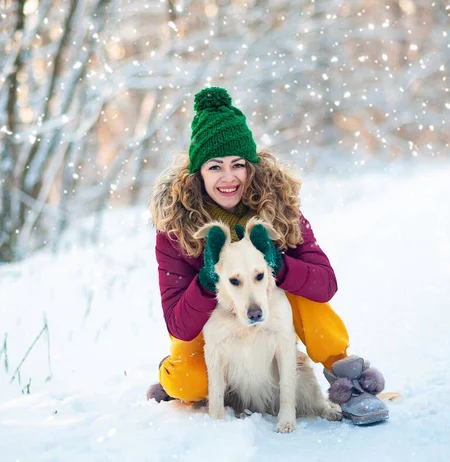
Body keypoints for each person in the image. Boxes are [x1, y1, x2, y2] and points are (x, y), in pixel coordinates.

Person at [145, 87, 388, 425]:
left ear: (251, 168)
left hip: (269, 309)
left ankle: (348, 380)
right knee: (189, 381)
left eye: (238, 165)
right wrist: (208, 280)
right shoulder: (175, 228)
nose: (228, 178)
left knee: (309, 300)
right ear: (198, 173)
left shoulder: (279, 209)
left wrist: (277, 265)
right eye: (215, 167)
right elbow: (178, 322)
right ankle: (171, 376)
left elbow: (325, 284)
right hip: (211, 326)